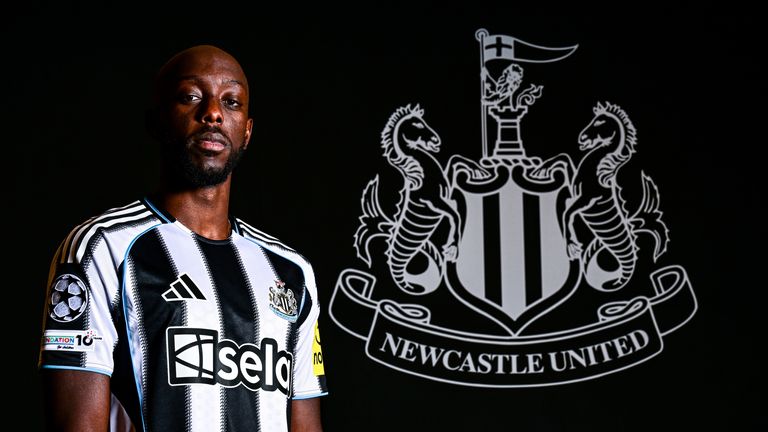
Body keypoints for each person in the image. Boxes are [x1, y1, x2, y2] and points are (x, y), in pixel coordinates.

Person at [39, 45, 328, 432]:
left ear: (247, 131)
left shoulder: (291, 271)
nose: (212, 113)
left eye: (232, 102)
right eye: (191, 97)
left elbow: (305, 424)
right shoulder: (101, 247)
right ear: (157, 121)